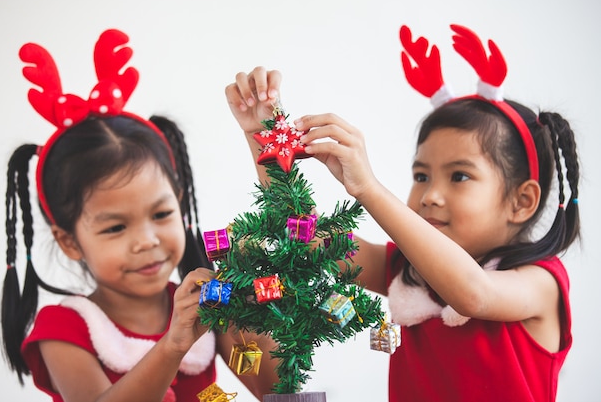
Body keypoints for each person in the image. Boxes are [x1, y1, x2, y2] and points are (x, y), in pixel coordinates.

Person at [225, 24, 579, 401]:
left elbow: (472, 295)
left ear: (522, 201)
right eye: (421, 175)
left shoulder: (541, 284)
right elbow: (309, 238)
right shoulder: (403, 270)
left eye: (459, 176)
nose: (430, 195)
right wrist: (265, 137)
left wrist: (369, 189)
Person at [1, 29, 278, 402]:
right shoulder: (63, 329)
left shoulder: (206, 302)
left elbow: (274, 388)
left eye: (162, 213)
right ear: (69, 242)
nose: (147, 239)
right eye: (116, 226)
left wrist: (250, 303)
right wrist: (172, 345)